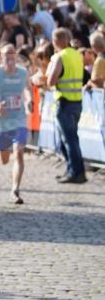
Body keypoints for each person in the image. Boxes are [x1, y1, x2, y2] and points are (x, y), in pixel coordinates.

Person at [0, 44, 32, 205]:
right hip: (1, 120)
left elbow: (28, 89)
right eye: (6, 56)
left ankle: (15, 190)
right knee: (4, 159)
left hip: (19, 118)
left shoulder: (23, 72)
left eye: (12, 55)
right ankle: (3, 150)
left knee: (19, 152)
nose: (10, 58)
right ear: (1, 57)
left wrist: (29, 100)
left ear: (16, 56)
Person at [46, 27, 86, 184]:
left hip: (65, 102)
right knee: (69, 140)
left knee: (69, 140)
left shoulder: (59, 57)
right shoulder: (76, 54)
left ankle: (76, 172)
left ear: (58, 41)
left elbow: (51, 81)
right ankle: (72, 170)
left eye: (54, 40)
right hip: (77, 102)